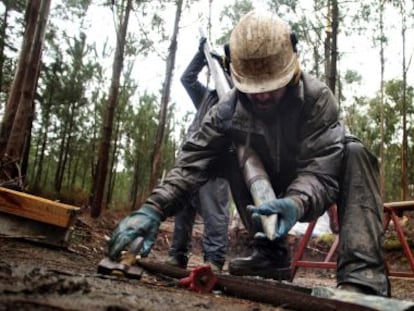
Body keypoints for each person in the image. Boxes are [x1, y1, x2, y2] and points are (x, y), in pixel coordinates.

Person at [108, 10, 390, 297]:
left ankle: (362, 276)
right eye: (254, 88)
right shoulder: (227, 110)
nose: (263, 95)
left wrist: (295, 201)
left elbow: (322, 170)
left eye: (270, 86)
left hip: (312, 186)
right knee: (231, 151)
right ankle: (270, 254)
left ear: (291, 69)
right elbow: (191, 162)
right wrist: (153, 208)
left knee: (355, 151)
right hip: (262, 190)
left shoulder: (317, 99)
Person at [165, 39, 231, 272]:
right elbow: (187, 79)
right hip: (191, 161)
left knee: (215, 213)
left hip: (216, 164)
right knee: (183, 209)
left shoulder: (237, 98)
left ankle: (213, 261)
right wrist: (201, 55)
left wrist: (224, 69)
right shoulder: (207, 97)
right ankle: (177, 254)